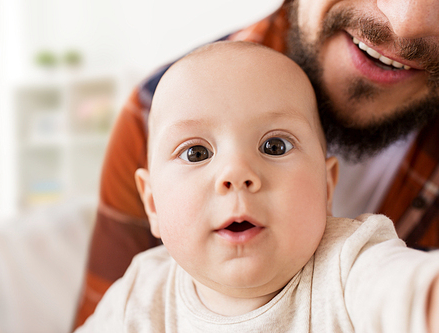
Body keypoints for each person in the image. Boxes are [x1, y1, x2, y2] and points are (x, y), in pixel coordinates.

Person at [72, 0, 439, 327]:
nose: (237, 174)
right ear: (151, 201)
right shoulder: (138, 297)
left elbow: (414, 292)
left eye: (275, 146)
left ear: (328, 186)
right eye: (197, 153)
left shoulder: (350, 265)